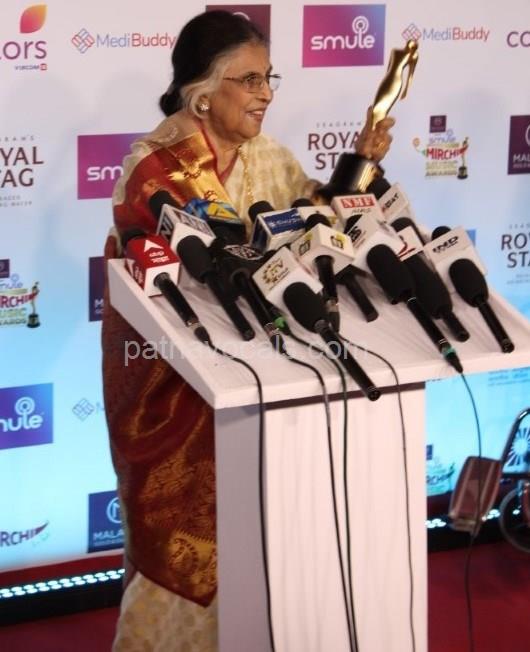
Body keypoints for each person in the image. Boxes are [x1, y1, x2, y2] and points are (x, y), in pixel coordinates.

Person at [102, 10, 395, 652]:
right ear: (203, 93)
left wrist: (361, 165)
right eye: (251, 80)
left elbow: (316, 223)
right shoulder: (154, 168)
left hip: (273, 381)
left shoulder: (268, 157)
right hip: (183, 395)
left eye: (270, 79)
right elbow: (187, 276)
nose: (266, 94)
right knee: (184, 561)